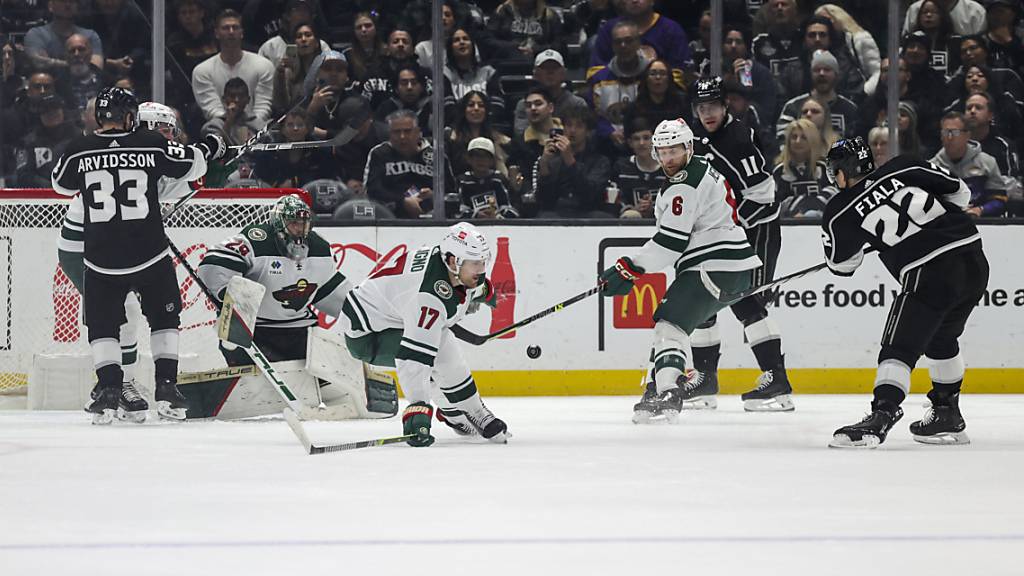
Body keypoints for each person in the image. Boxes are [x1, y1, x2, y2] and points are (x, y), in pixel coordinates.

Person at [49, 86, 228, 424]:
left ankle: (110, 387)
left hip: (100, 254)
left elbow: (61, 184)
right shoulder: (149, 146)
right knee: (149, 317)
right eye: (160, 128)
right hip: (108, 250)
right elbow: (185, 166)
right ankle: (137, 385)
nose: (166, 135)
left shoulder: (79, 149)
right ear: (134, 119)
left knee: (105, 322)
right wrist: (212, 149)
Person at [822, 136, 989, 448]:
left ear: (841, 172)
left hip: (929, 271)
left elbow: (842, 266)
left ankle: (880, 417)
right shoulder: (904, 165)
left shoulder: (839, 210)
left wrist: (872, 240)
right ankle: (946, 414)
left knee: (899, 348)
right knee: (941, 338)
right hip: (973, 258)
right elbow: (961, 193)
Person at [598, 118, 761, 423]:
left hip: (712, 265)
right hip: (736, 269)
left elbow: (670, 243)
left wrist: (629, 268)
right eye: (662, 152)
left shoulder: (683, 184)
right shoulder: (701, 168)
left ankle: (669, 392)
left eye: (675, 150)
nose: (668, 159)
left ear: (689, 147)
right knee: (671, 326)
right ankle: (655, 386)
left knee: (669, 325)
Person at [341, 222, 509, 446]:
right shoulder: (428, 297)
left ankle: (463, 414)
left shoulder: (448, 264)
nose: (480, 270)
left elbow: (462, 284)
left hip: (388, 315)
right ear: (452, 261)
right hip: (367, 334)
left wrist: (481, 293)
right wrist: (417, 411)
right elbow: (413, 360)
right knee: (440, 348)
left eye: (482, 262)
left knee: (438, 346)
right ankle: (470, 413)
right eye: (474, 263)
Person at [688, 76, 794, 411]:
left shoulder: (738, 139)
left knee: (746, 302)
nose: (708, 113)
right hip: (725, 232)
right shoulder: (699, 138)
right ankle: (706, 380)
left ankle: (776, 380)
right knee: (702, 297)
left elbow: (763, 196)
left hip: (756, 230)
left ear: (726, 106)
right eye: (701, 107)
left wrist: (730, 226)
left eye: (713, 106)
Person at [197, 194, 350, 364]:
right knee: (240, 294)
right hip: (256, 330)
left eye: (304, 224)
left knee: (329, 368)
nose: (300, 229)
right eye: (294, 223)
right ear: (279, 222)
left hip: (300, 329)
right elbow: (213, 263)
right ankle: (233, 343)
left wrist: (358, 313)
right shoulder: (256, 239)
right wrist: (229, 301)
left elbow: (330, 292)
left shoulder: (320, 248)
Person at [363, 109, 455, 218]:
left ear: (418, 132)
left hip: (432, 217)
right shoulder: (379, 153)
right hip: (389, 217)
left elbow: (451, 193)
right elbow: (372, 189)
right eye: (397, 132)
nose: (402, 137)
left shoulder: (437, 156)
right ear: (389, 134)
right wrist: (402, 201)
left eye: (407, 131)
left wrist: (435, 196)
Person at [191, 9, 276, 126]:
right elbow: (213, 111)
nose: (231, 32)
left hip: (258, 132)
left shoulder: (264, 65)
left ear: (242, 32)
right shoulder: (202, 71)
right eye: (225, 28)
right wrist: (230, 126)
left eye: (235, 27)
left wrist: (252, 131)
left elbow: (263, 108)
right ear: (216, 33)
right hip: (220, 133)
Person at [586, 19, 652, 152]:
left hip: (647, 144)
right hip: (608, 146)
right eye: (618, 42)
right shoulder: (599, 79)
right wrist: (608, 131)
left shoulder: (651, 75)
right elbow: (592, 115)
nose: (623, 45)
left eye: (628, 41)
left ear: (638, 42)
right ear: (612, 46)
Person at [534, 105, 610, 217]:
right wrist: (544, 166)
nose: (572, 130)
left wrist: (570, 160)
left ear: (588, 132)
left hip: (587, 212)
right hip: (557, 213)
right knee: (544, 216)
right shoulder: (553, 159)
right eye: (568, 125)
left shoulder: (600, 162)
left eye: (579, 126)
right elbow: (543, 200)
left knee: (602, 217)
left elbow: (590, 195)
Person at [931, 111, 1012, 217]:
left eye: (955, 132)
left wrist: (980, 210)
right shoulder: (931, 168)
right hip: (945, 224)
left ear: (967, 135)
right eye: (946, 132)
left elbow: (999, 199)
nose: (950, 138)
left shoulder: (987, 163)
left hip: (982, 223)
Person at [775, 50, 859, 146]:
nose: (821, 74)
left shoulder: (850, 109)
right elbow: (783, 142)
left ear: (836, 74)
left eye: (827, 70)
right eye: (817, 70)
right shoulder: (793, 106)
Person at [511, 49, 587, 138]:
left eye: (555, 67)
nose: (550, 72)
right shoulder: (526, 105)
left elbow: (582, 134)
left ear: (563, 73)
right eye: (544, 68)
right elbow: (521, 135)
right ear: (535, 74)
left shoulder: (577, 104)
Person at [773, 118, 836, 218]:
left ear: (813, 141)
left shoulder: (825, 168)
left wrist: (806, 207)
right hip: (789, 224)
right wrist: (798, 210)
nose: (798, 141)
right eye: (794, 137)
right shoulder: (780, 171)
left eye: (804, 137)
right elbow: (777, 202)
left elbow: (833, 194)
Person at [607, 115, 665, 218]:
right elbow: (613, 198)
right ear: (630, 143)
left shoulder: (669, 169)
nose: (641, 143)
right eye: (636, 139)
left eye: (646, 138)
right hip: (627, 226)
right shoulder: (621, 167)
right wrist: (632, 210)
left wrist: (653, 209)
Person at [23, 0, 104, 73]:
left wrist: (52, 62)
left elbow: (96, 67)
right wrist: (80, 64)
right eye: (62, 1)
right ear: (50, 5)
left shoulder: (90, 35)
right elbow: (38, 63)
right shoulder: (36, 34)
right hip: (48, 87)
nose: (68, 4)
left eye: (72, 1)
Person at [456, 137, 519, 219]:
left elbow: (511, 206)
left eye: (485, 157)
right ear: (469, 159)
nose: (481, 161)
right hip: (470, 227)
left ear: (492, 160)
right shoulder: (463, 181)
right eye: (477, 156)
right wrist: (475, 215)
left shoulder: (499, 179)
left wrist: (498, 216)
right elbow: (458, 210)